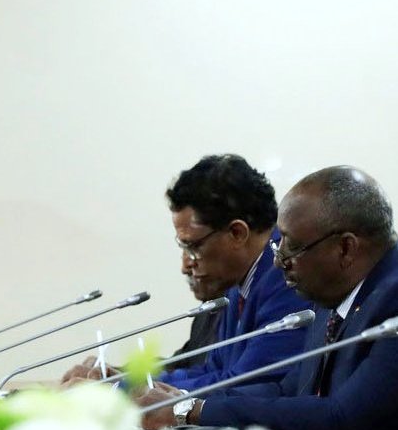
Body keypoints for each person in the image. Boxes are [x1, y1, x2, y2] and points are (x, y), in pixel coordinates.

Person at [143, 166, 398, 430]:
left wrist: (191, 410)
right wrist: (186, 402)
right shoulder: (331, 295)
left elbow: (342, 418)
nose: (278, 262)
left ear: (345, 248)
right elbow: (285, 389)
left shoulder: (391, 299)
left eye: (291, 246)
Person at [64, 155, 306, 401]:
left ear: (237, 233)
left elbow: (247, 382)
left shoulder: (287, 276)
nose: (187, 262)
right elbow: (213, 370)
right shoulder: (239, 280)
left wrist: (121, 391)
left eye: (193, 247)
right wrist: (126, 381)